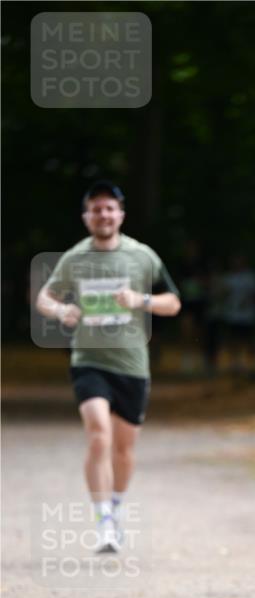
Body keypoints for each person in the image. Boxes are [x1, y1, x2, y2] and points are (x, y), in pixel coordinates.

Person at [36, 180, 181, 552]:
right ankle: (103, 522)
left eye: (110, 208)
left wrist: (140, 299)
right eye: (96, 209)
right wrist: (61, 309)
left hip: (132, 364)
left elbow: (173, 303)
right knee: (99, 433)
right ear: (86, 217)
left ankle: (114, 509)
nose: (103, 215)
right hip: (89, 361)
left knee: (123, 449)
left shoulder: (142, 255)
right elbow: (44, 298)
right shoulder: (75, 258)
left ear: (121, 214)